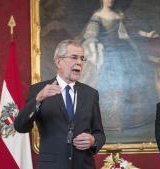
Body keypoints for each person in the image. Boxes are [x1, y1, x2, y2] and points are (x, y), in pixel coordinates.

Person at [14, 39, 106, 169]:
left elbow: (100, 134)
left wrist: (93, 140)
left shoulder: (91, 94)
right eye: (74, 57)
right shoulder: (38, 90)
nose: (79, 62)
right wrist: (38, 99)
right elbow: (20, 126)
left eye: (82, 58)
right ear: (58, 61)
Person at [80, 0, 159, 142]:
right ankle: (109, 123)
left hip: (122, 51)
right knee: (105, 84)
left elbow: (132, 30)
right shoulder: (98, 16)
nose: (110, 1)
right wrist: (95, 48)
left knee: (131, 83)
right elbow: (91, 35)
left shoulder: (119, 15)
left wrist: (147, 34)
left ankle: (129, 120)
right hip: (107, 54)